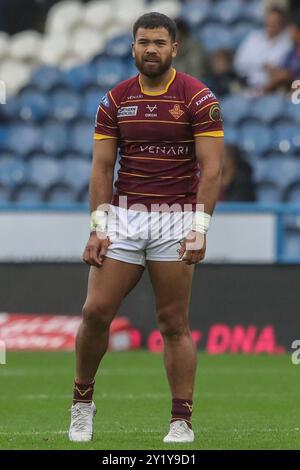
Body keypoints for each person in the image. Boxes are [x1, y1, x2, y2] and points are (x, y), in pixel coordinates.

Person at [68, 12, 224, 444]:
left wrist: (200, 226)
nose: (150, 49)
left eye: (158, 42)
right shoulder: (115, 100)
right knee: (94, 313)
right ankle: (82, 404)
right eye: (143, 42)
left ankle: (181, 420)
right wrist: (98, 225)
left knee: (173, 322)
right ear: (133, 47)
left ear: (174, 48)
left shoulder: (198, 97)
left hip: (174, 217)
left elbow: (211, 170)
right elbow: (101, 168)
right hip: (125, 216)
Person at [234, 7, 292, 92]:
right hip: (247, 86)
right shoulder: (253, 37)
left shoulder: (287, 43)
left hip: (273, 89)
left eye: (275, 21)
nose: (272, 24)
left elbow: (281, 70)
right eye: (270, 20)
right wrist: (262, 64)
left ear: (282, 24)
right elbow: (238, 63)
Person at [262, 16, 300, 93]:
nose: (290, 34)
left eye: (293, 30)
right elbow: (281, 72)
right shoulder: (290, 53)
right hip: (289, 90)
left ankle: (261, 92)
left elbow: (286, 75)